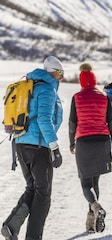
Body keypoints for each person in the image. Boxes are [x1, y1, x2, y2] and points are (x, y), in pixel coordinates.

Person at [1, 56, 64, 240]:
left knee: (33, 188)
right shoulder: (46, 89)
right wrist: (55, 147)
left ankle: (11, 226)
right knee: (43, 194)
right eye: (59, 73)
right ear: (52, 72)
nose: (61, 77)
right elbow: (44, 120)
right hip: (38, 146)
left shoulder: (29, 86)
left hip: (21, 144)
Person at [68, 63, 112, 233]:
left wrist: (71, 143)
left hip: (84, 142)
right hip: (102, 142)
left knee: (85, 184)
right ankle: (91, 221)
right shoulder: (104, 97)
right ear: (95, 80)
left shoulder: (76, 98)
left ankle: (96, 208)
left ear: (81, 81)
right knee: (95, 181)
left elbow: (72, 123)